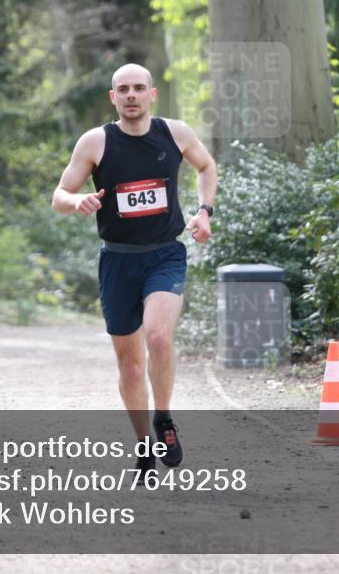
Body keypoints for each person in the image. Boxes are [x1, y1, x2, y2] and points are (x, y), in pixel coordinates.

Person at [53, 63, 217, 471]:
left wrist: (204, 212)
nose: (130, 95)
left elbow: (206, 167)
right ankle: (144, 444)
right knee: (129, 363)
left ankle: (164, 417)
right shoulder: (95, 142)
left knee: (159, 336)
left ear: (152, 94)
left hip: (165, 253)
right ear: (113, 97)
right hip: (117, 260)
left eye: (138, 88)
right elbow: (59, 194)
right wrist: (79, 202)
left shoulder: (175, 133)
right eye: (122, 89)